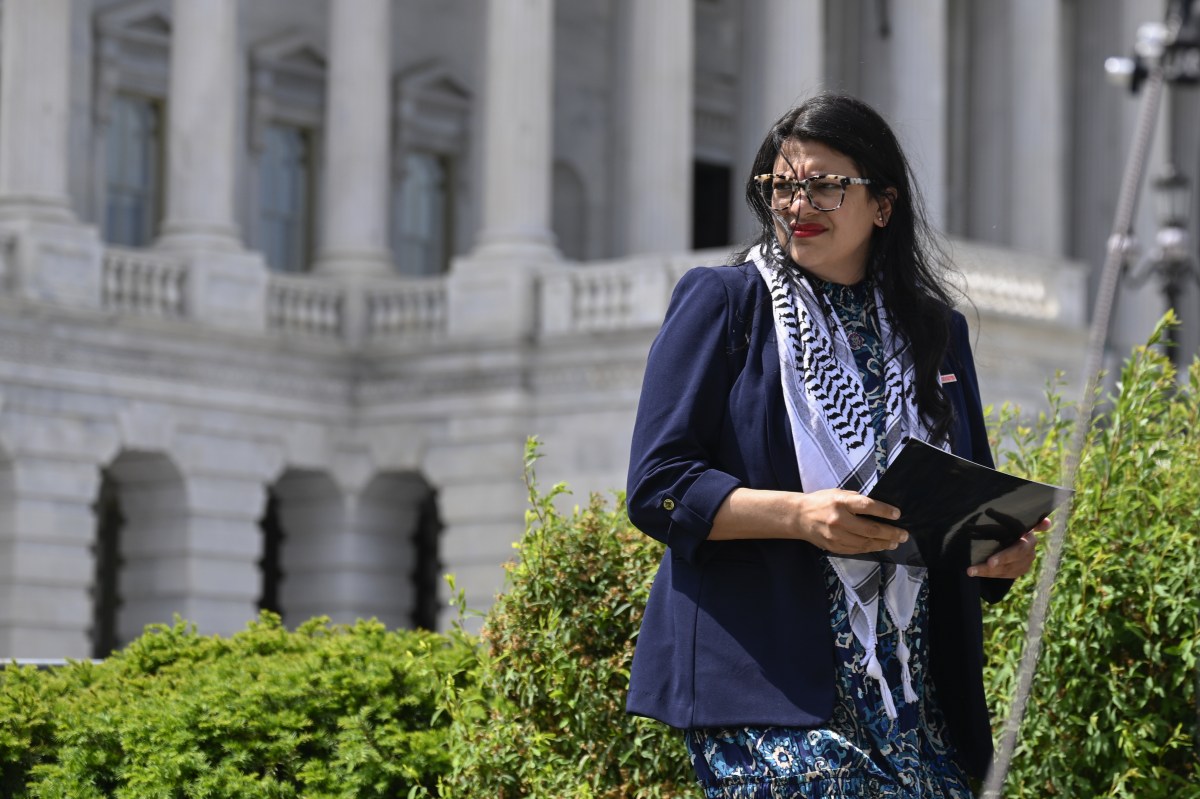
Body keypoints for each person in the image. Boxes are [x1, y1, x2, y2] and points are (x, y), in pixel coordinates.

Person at [624, 92, 1046, 798]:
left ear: (882, 204)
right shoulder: (725, 302)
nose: (797, 205)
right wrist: (799, 516)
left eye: (824, 185)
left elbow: (952, 502)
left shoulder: (939, 334)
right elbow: (658, 484)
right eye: (781, 186)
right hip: (769, 690)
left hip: (916, 706)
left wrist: (998, 553)